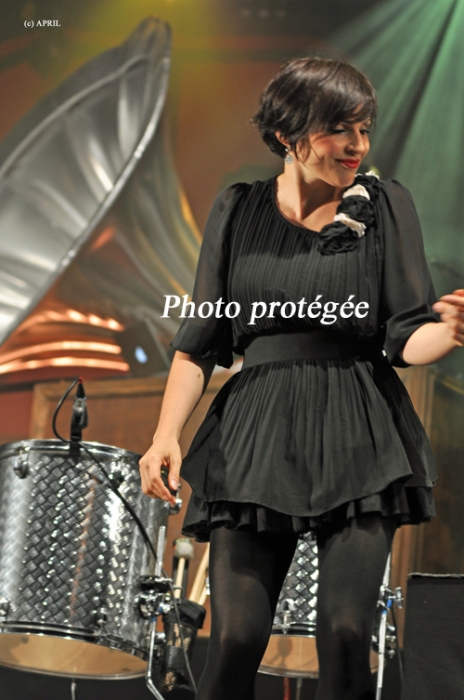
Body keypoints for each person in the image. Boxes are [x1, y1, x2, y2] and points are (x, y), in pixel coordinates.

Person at [139, 57, 464, 700]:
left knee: (344, 633)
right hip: (255, 432)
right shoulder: (238, 209)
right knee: (235, 639)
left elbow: (407, 336)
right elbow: (199, 342)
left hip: (358, 425)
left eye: (364, 129)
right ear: (288, 134)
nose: (357, 144)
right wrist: (165, 435)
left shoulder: (386, 205)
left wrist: (450, 331)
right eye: (339, 128)